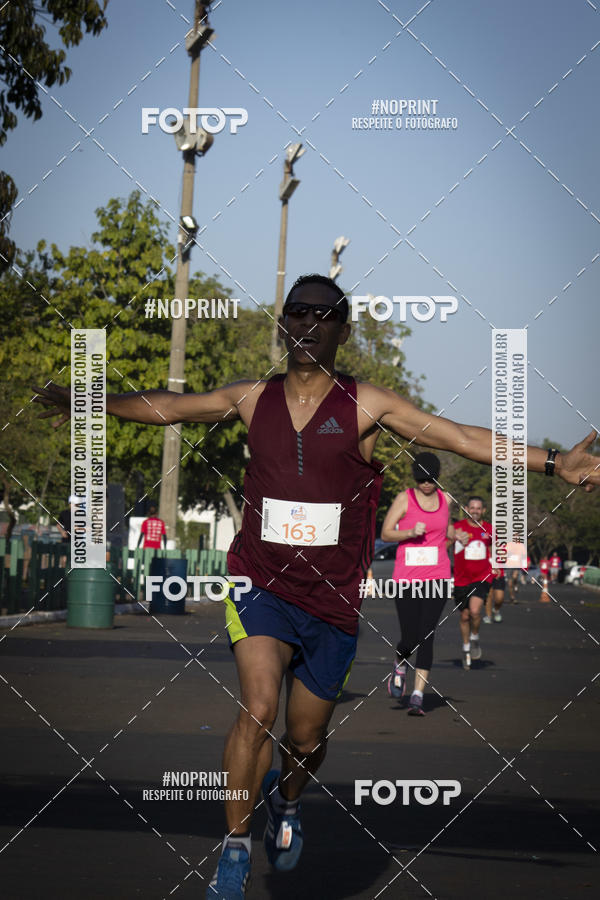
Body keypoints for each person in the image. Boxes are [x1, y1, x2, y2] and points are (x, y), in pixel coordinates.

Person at [34, 273, 600, 899]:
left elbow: (461, 440)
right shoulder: (252, 397)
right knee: (258, 707)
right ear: (284, 322)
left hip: (331, 599)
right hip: (259, 580)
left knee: (304, 739)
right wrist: (86, 402)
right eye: (296, 312)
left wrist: (554, 464)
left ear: (341, 329)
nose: (307, 323)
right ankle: (234, 848)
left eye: (322, 314)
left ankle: (289, 799)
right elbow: (171, 406)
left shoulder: (367, 405)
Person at [380, 451, 454, 716]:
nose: (426, 484)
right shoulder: (404, 498)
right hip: (406, 579)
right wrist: (409, 533)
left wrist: (456, 540)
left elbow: (449, 531)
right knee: (410, 637)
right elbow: (385, 533)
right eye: (422, 479)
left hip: (438, 576)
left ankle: (417, 696)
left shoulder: (446, 499)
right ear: (415, 478)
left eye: (431, 479)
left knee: (427, 635)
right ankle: (400, 661)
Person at [453, 497, 494, 669]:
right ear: (466, 509)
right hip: (461, 579)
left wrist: (496, 565)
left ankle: (475, 637)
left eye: (478, 508)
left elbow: (494, 549)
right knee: (464, 616)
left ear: (483, 510)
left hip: (482, 577)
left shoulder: (490, 529)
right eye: (472, 508)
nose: (475, 511)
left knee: (476, 611)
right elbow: (444, 543)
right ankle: (466, 647)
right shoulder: (457, 528)